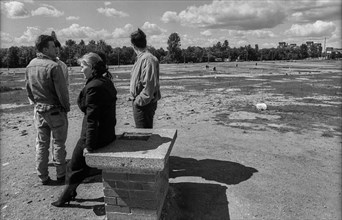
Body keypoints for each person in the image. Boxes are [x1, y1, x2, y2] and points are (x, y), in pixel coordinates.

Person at [52, 52, 117, 207]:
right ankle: (71, 192)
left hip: (95, 135)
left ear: (91, 67)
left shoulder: (94, 87)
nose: (80, 69)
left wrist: (89, 145)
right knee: (76, 165)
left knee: (73, 166)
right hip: (107, 133)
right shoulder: (105, 81)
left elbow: (92, 119)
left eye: (82, 66)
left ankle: (65, 196)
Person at [25, 35, 70, 185]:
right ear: (45, 49)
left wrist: (37, 103)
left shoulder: (30, 65)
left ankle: (42, 175)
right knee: (58, 143)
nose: (55, 49)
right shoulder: (54, 66)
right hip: (55, 110)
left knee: (42, 144)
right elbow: (62, 92)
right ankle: (61, 175)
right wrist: (66, 107)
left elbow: (29, 90)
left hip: (39, 110)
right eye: (52, 47)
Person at [129, 28, 161, 128]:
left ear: (133, 45)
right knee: (142, 136)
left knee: (144, 138)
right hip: (142, 103)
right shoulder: (141, 58)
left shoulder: (147, 58)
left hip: (144, 105)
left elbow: (149, 86)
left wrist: (138, 102)